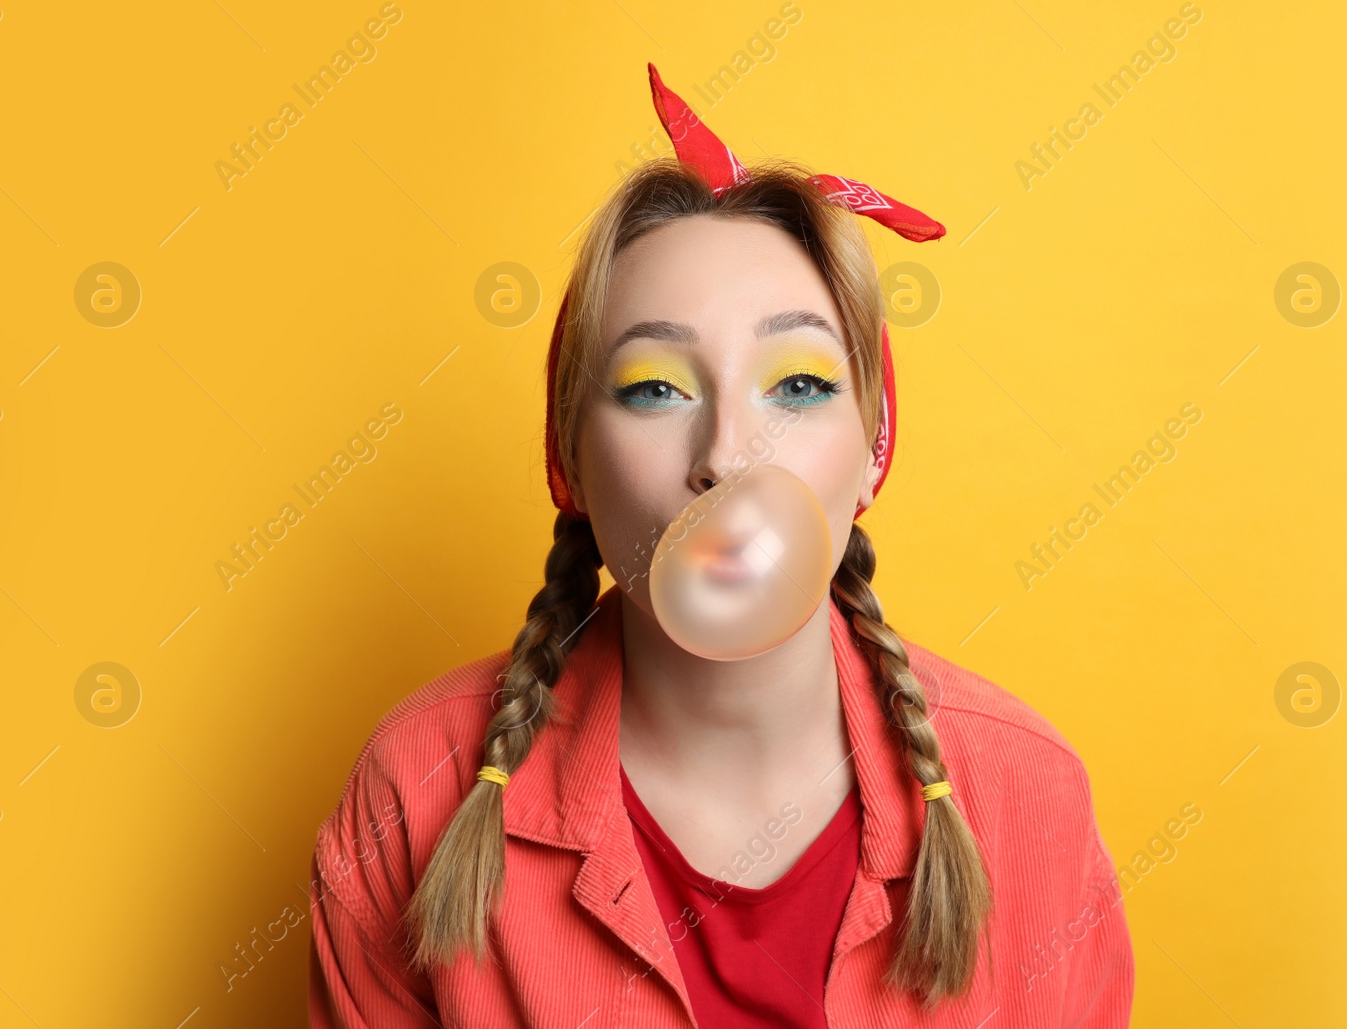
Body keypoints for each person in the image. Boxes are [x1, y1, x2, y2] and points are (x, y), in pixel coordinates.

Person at [308, 64, 1132, 1027]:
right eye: (657, 388)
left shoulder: (1029, 797)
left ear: (873, 452)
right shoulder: (416, 790)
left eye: (797, 384)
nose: (727, 455)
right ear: (568, 461)